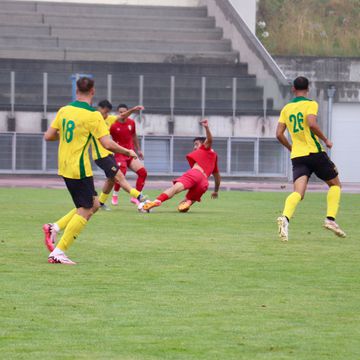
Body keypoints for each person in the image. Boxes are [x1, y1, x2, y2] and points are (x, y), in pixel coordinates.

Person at [42, 77, 138, 265]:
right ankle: (58, 252)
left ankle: (54, 227)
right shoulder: (93, 116)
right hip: (79, 168)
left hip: (64, 165)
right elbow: (107, 143)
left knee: (93, 205)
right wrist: (127, 151)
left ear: (76, 90)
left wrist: (67, 139)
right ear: (93, 91)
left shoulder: (64, 110)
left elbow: (49, 136)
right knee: (86, 210)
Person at [276, 76, 346, 242]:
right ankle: (330, 220)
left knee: (298, 193)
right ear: (308, 89)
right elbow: (312, 123)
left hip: (298, 156)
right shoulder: (311, 104)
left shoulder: (286, 108)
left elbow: (278, 134)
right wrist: (326, 139)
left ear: (293, 89)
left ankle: (285, 218)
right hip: (314, 153)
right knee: (335, 185)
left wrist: (290, 147)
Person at [142, 119, 221, 212]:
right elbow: (217, 177)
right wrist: (216, 191)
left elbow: (210, 139)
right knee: (183, 206)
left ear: (204, 144)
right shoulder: (214, 157)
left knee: (174, 189)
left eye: (196, 144)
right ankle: (188, 202)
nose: (194, 147)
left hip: (195, 174)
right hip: (204, 183)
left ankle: (157, 201)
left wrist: (206, 127)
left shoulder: (205, 148)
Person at [92, 100, 146, 210]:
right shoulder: (92, 120)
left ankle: (101, 202)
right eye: (105, 112)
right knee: (120, 176)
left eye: (107, 112)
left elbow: (122, 115)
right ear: (100, 109)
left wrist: (133, 109)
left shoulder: (109, 119)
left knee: (111, 180)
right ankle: (139, 196)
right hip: (101, 156)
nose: (106, 115)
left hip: (109, 154)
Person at [110, 103, 148, 206]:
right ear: (118, 113)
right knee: (122, 172)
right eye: (120, 112)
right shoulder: (112, 125)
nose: (123, 113)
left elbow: (134, 136)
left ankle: (135, 196)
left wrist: (139, 150)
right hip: (119, 153)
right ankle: (115, 194)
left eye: (124, 112)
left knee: (143, 173)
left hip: (130, 153)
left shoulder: (132, 123)